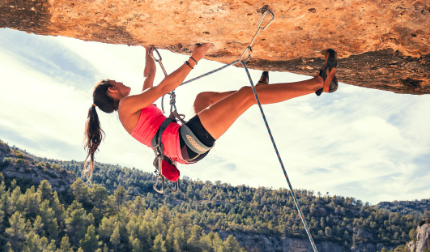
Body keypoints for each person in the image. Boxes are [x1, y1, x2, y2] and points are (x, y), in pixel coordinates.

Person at [83, 44, 337, 179]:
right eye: (115, 82)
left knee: (202, 99)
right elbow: (162, 86)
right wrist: (195, 58)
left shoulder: (131, 106)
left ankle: (252, 91)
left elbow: (149, 75)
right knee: (248, 98)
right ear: (112, 92)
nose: (119, 81)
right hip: (186, 142)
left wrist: (147, 50)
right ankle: (318, 83)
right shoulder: (127, 106)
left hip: (185, 146)